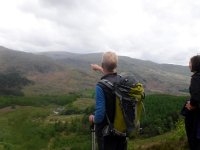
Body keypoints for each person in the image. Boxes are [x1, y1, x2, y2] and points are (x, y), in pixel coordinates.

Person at [89, 51, 127, 150]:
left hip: (107, 135)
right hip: (121, 131)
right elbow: (110, 77)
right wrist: (99, 68)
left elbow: (100, 114)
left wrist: (93, 118)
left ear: (103, 65)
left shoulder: (100, 87)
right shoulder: (122, 81)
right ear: (116, 66)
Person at [184, 55, 200, 150]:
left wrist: (192, 105)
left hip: (196, 114)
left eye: (190, 63)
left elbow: (196, 96)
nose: (188, 65)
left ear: (195, 64)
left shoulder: (196, 78)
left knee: (193, 138)